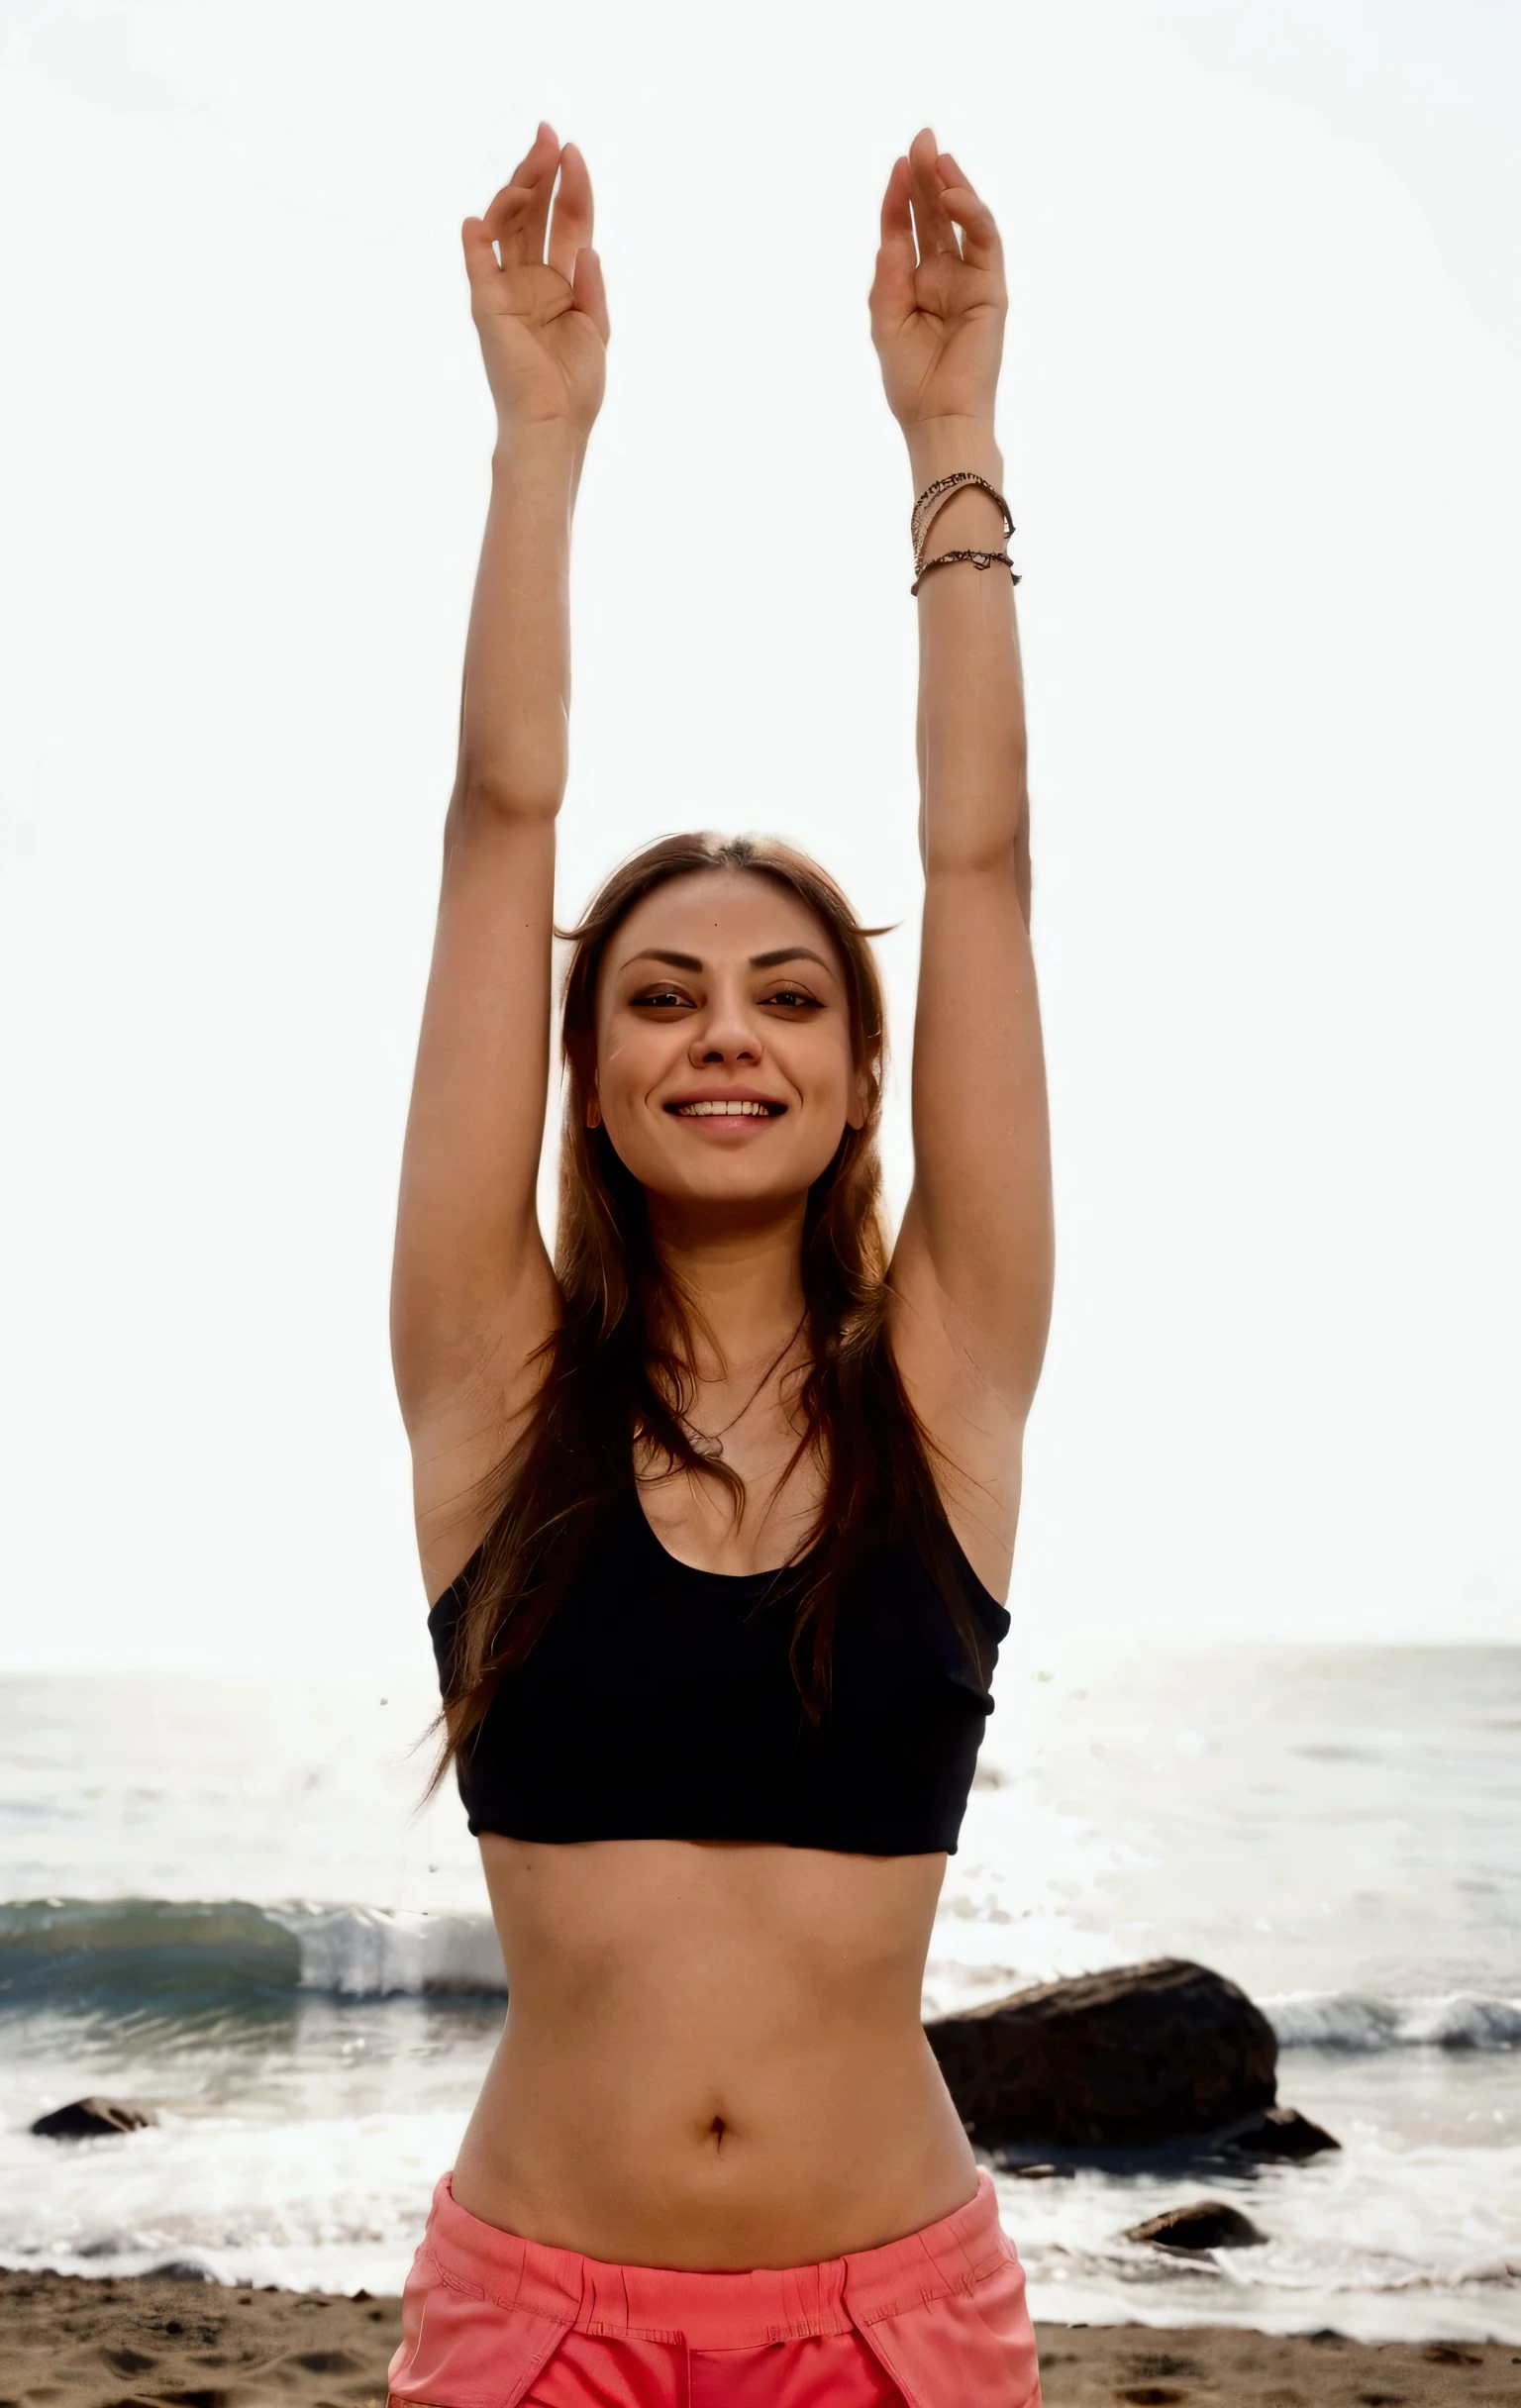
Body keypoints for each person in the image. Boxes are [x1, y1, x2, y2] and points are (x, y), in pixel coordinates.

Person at [386, 117, 1053, 2408]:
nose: (728, 1034)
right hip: (537, 2326)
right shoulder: (488, 1387)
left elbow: (980, 870)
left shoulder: (951, 1381)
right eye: (661, 995)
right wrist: (539, 445)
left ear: (868, 1080)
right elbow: (502, 828)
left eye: (786, 995)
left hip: (894, 2328)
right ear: (585, 1075)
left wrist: (951, 444)